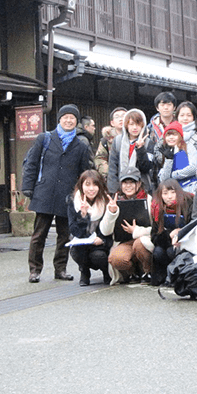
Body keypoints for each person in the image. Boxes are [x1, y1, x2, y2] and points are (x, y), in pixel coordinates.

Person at [21, 104, 93, 283]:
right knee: (39, 234)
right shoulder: (44, 138)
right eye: (65, 117)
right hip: (45, 190)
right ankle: (34, 270)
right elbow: (32, 163)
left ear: (76, 123)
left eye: (72, 118)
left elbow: (85, 173)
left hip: (67, 194)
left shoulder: (81, 145)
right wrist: (28, 186)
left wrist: (84, 195)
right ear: (59, 119)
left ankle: (60, 269)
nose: (68, 120)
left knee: (64, 234)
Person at [102, 167, 153, 284]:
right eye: (125, 182)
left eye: (132, 182)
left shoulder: (149, 200)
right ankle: (132, 273)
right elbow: (105, 231)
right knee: (116, 258)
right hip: (124, 241)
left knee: (140, 244)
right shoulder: (115, 201)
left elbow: (156, 229)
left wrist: (137, 231)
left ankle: (147, 271)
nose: (128, 186)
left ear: (139, 183)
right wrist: (111, 212)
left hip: (144, 240)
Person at [67, 170, 117, 286]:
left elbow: (110, 227)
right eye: (87, 184)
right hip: (83, 242)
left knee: (98, 256)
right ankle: (84, 271)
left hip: (101, 243)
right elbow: (74, 230)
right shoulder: (73, 201)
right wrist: (83, 216)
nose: (91, 189)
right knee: (76, 250)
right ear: (81, 185)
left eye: (95, 185)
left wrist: (102, 238)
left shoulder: (106, 200)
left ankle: (106, 271)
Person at [148, 178, 194, 286]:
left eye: (173, 192)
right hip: (167, 242)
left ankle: (178, 278)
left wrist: (180, 233)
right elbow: (154, 237)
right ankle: (163, 277)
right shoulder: (157, 207)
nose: (169, 196)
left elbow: (193, 225)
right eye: (165, 193)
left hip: (186, 241)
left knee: (171, 251)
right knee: (158, 252)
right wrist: (169, 235)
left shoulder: (188, 202)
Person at [107, 108, 153, 194]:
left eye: (138, 124)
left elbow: (146, 168)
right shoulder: (117, 141)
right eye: (131, 124)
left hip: (142, 189)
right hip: (121, 188)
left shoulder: (148, 143)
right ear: (126, 125)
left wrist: (140, 149)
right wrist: (113, 191)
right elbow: (113, 168)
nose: (135, 127)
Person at [155, 121, 197, 192]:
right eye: (168, 135)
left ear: (180, 136)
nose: (171, 137)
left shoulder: (188, 147)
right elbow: (164, 179)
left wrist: (174, 175)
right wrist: (169, 159)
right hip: (174, 191)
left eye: (174, 135)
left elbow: (194, 167)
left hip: (191, 187)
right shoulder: (165, 151)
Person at [95, 107, 126, 179]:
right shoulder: (106, 140)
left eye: (123, 116)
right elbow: (100, 158)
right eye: (117, 117)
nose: (121, 119)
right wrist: (109, 173)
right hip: (113, 177)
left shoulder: (135, 137)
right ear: (112, 123)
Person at [146, 91, 177, 162]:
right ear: (157, 108)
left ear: (174, 107)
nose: (166, 108)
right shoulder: (150, 128)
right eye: (162, 105)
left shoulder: (181, 126)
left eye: (169, 104)